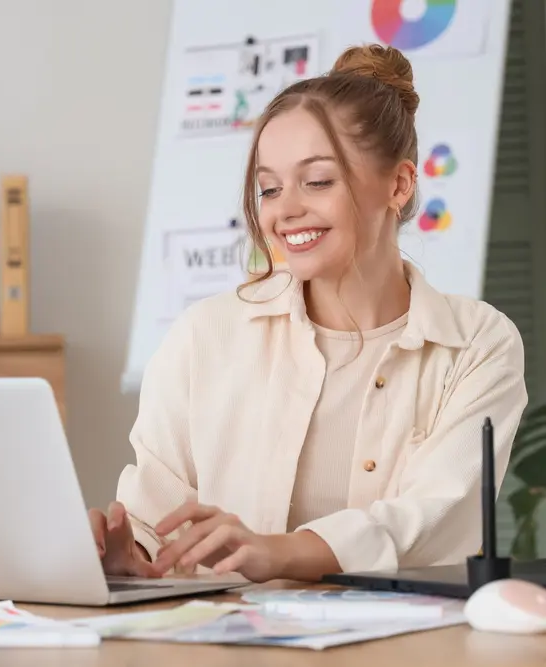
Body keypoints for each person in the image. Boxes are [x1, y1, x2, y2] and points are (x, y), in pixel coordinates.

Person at [89, 44, 528, 583]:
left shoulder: (477, 343)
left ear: (399, 183)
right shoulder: (205, 336)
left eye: (317, 180)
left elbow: (429, 515)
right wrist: (129, 556)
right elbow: (153, 520)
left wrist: (282, 552)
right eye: (269, 188)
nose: (285, 208)